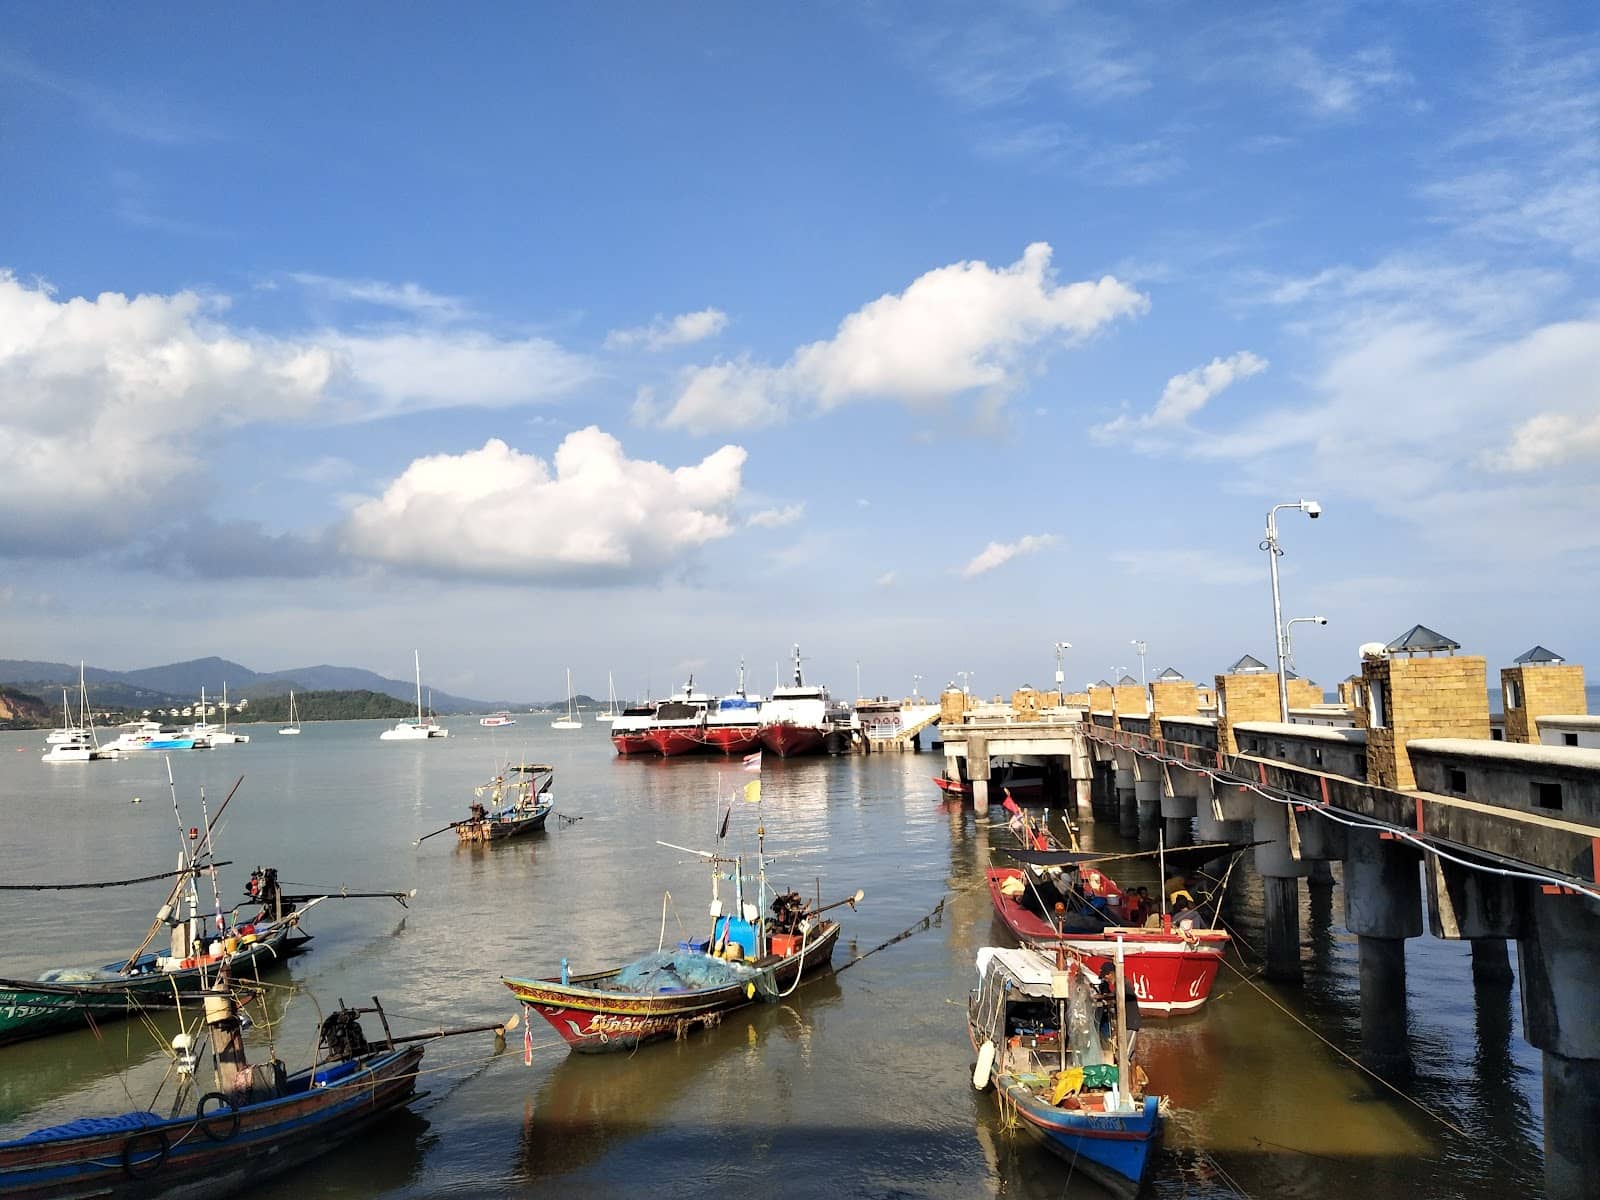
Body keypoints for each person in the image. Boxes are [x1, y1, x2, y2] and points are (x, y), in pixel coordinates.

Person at [1096, 960, 1142, 1062]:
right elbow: (1116, 997)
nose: (1105, 979)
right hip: (1125, 1024)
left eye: (1106, 976)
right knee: (1131, 1055)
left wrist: (1102, 996)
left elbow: (1118, 995)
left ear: (1112, 973)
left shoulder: (1123, 984)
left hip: (1131, 1024)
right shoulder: (1120, 984)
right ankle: (1132, 1077)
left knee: (1122, 1056)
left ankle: (1122, 1076)